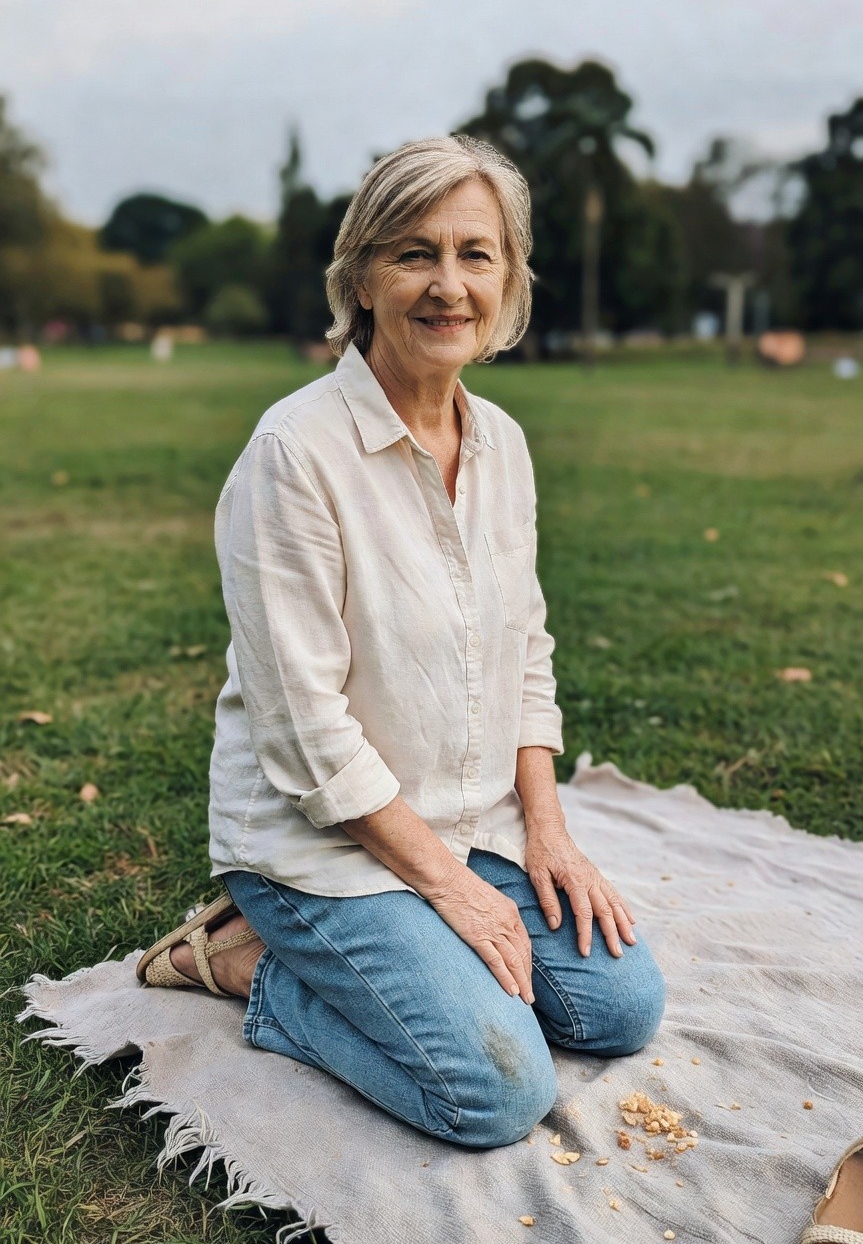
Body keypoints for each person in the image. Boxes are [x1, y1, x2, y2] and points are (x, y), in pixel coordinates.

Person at [137, 135, 666, 1149]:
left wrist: (548, 834)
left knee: (620, 1010)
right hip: (320, 848)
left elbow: (526, 650)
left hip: (470, 821)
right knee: (497, 1092)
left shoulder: (503, 444)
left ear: (509, 279)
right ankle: (246, 963)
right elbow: (305, 734)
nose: (448, 285)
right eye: (414, 253)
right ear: (362, 278)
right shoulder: (294, 453)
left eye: (476, 254)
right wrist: (452, 893)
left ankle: (409, 940)